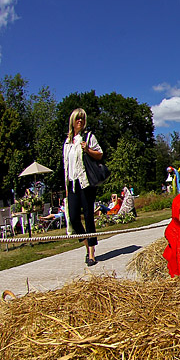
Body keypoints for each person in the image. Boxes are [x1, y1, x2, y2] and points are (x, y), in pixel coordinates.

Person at [63, 108, 103, 266]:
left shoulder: (88, 137)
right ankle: (87, 245)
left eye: (82, 119)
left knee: (88, 216)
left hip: (85, 182)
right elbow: (66, 165)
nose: (80, 121)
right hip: (72, 183)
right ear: (72, 121)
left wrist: (87, 149)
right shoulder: (67, 142)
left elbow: (99, 154)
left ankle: (92, 253)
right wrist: (66, 185)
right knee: (73, 218)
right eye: (77, 118)